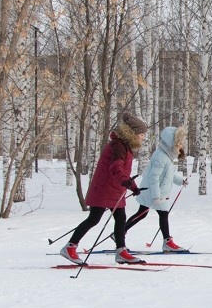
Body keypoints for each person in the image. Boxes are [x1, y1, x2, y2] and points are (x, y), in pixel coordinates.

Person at [59, 112, 148, 265]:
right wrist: (126, 182)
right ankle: (70, 247)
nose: (143, 137)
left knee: (120, 219)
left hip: (114, 189)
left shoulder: (123, 145)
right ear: (132, 133)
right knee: (94, 218)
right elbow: (116, 168)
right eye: (141, 133)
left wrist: (133, 187)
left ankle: (121, 251)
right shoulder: (118, 145)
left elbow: (122, 172)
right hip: (104, 188)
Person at [125, 125, 188, 252]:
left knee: (144, 214)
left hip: (155, 192)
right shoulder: (161, 157)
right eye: (179, 143)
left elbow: (168, 175)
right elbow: (154, 178)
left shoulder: (166, 156)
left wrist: (180, 181)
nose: (181, 145)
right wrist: (156, 196)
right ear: (171, 143)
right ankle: (167, 243)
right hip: (153, 192)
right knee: (159, 214)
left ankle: (120, 233)